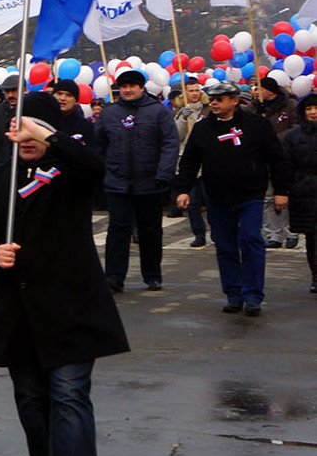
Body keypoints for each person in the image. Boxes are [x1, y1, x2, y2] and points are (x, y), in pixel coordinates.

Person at [0, 93, 128, 456]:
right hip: (18, 309)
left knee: (69, 393)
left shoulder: (70, 171)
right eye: (22, 124)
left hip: (70, 305)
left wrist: (51, 137)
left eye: (37, 126)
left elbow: (93, 166)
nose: (28, 134)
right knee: (31, 397)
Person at [173, 80, 291, 316]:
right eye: (212, 99)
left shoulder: (256, 125)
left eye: (220, 99)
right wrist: (183, 189)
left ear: (234, 101)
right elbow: (189, 161)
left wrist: (281, 191)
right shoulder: (203, 128)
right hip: (218, 197)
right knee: (225, 247)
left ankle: (253, 295)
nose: (214, 103)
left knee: (250, 241)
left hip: (250, 195)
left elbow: (277, 158)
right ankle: (234, 294)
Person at [94, 68, 179, 293]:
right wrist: (104, 172)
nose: (127, 90)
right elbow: (99, 145)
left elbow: (170, 144)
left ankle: (152, 275)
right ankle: (114, 276)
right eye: (123, 86)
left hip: (150, 182)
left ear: (142, 88)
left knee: (150, 231)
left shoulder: (158, 112)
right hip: (118, 182)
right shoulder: (109, 113)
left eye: (132, 86)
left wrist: (164, 174)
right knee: (117, 231)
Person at [252, 75, 299, 249]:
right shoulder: (254, 107)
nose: (256, 92)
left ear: (270, 91)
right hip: (262, 160)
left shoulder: (290, 106)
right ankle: (273, 234)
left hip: (284, 158)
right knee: (267, 199)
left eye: (260, 89)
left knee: (285, 198)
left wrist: (272, 139)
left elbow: (295, 127)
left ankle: (291, 232)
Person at [277, 93, 317, 294]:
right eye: (309, 109)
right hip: (304, 191)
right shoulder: (293, 136)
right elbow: (286, 166)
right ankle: (316, 276)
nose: (313, 112)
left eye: (316, 109)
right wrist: (283, 191)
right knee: (312, 237)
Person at [172, 80, 211, 247]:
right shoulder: (180, 112)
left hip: (208, 162)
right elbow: (176, 136)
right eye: (191, 91)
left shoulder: (208, 110)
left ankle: (217, 230)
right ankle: (199, 233)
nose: (194, 93)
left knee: (211, 200)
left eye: (197, 90)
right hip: (189, 162)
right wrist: (183, 118)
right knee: (192, 202)